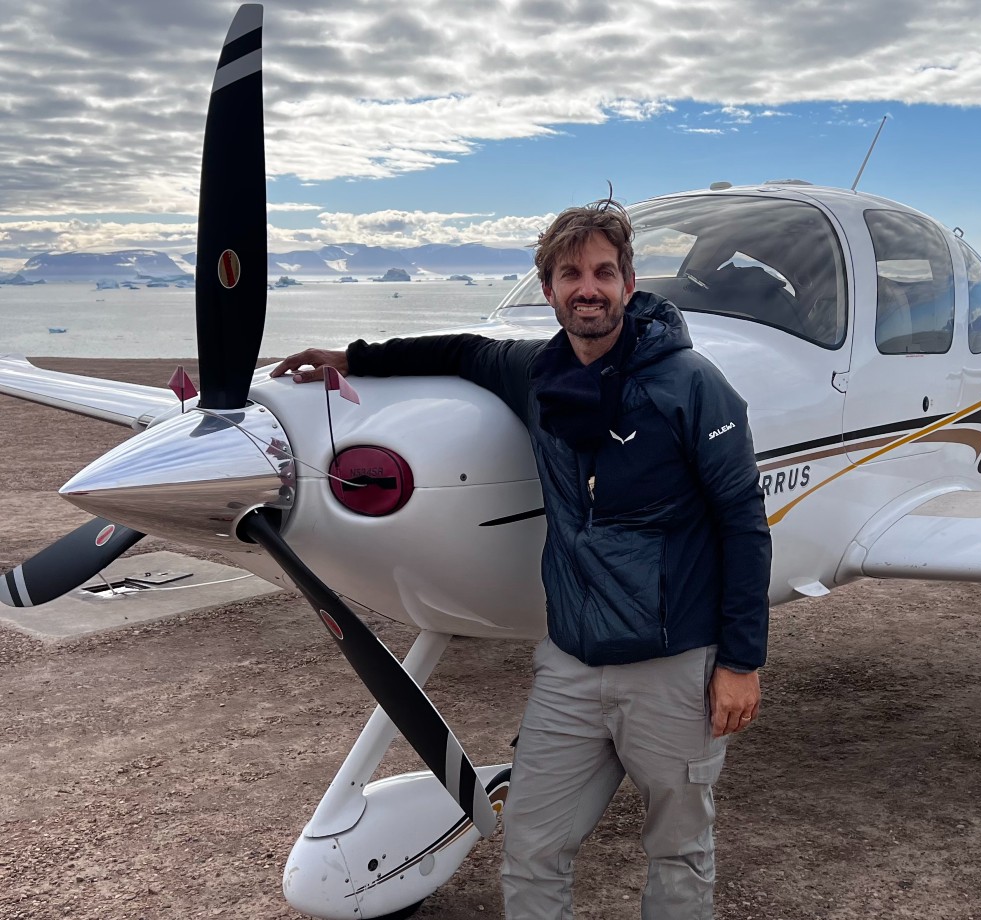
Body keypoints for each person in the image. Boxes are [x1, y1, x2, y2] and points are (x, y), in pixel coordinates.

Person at [271, 197, 772, 919]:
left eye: (604, 272)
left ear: (629, 285)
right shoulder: (538, 373)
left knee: (679, 852)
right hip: (570, 663)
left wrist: (740, 663)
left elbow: (744, 525)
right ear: (549, 291)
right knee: (531, 848)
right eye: (571, 274)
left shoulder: (692, 384)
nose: (588, 287)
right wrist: (352, 360)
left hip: (672, 665)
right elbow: (463, 352)